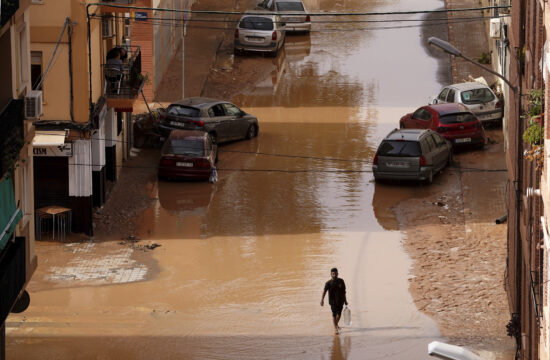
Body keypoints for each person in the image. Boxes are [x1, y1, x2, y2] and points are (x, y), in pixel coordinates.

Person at [321, 267, 348, 334]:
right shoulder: (328, 283)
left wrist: (345, 301)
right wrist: (322, 300)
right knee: (334, 314)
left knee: (339, 314)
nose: (334, 275)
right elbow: (324, 292)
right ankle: (335, 328)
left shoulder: (341, 281)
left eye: (336, 274)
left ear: (337, 274)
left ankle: (336, 324)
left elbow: (344, 292)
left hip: (340, 301)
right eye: (333, 274)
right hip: (332, 301)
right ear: (331, 274)